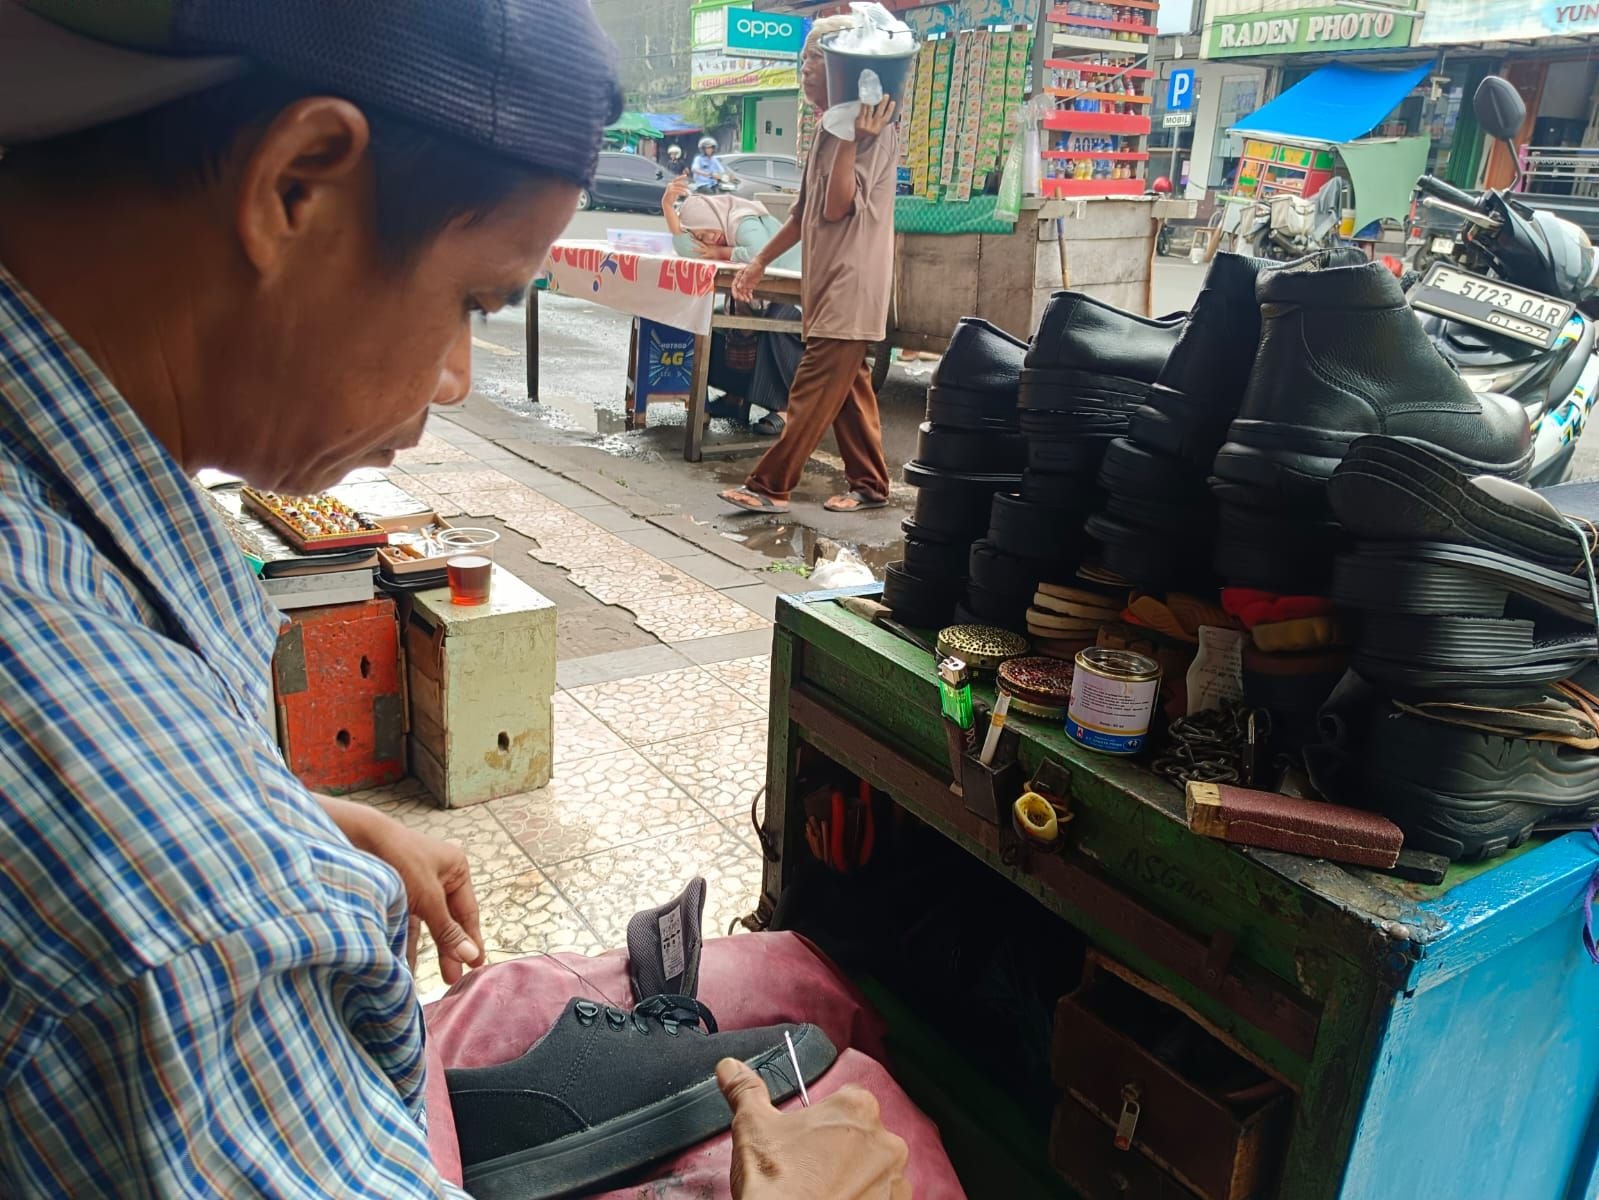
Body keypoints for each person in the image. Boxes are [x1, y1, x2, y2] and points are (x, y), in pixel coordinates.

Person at [0, 2, 922, 1196]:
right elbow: (138, 888)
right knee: (874, 1110)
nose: (454, 381)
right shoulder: (178, 907)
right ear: (296, 186)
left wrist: (288, 821)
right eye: (476, 303)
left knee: (793, 998)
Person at [719, 17, 899, 515]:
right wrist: (758, 262)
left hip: (851, 282)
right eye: (803, 60)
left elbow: (841, 206)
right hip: (825, 282)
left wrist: (847, 139)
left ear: (842, 67)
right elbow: (805, 212)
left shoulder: (871, 130)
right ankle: (870, 486)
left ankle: (769, 485)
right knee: (848, 387)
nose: (804, 71)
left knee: (814, 386)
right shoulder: (829, 125)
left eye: (812, 60)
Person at [663, 177, 803, 434]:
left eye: (707, 232)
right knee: (715, 320)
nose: (709, 239)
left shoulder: (742, 220)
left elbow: (759, 251)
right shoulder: (719, 227)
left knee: (776, 323)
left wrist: (722, 253)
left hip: (798, 293)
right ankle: (735, 396)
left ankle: (787, 408)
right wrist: (668, 208)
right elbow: (688, 249)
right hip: (765, 291)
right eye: (702, 235)